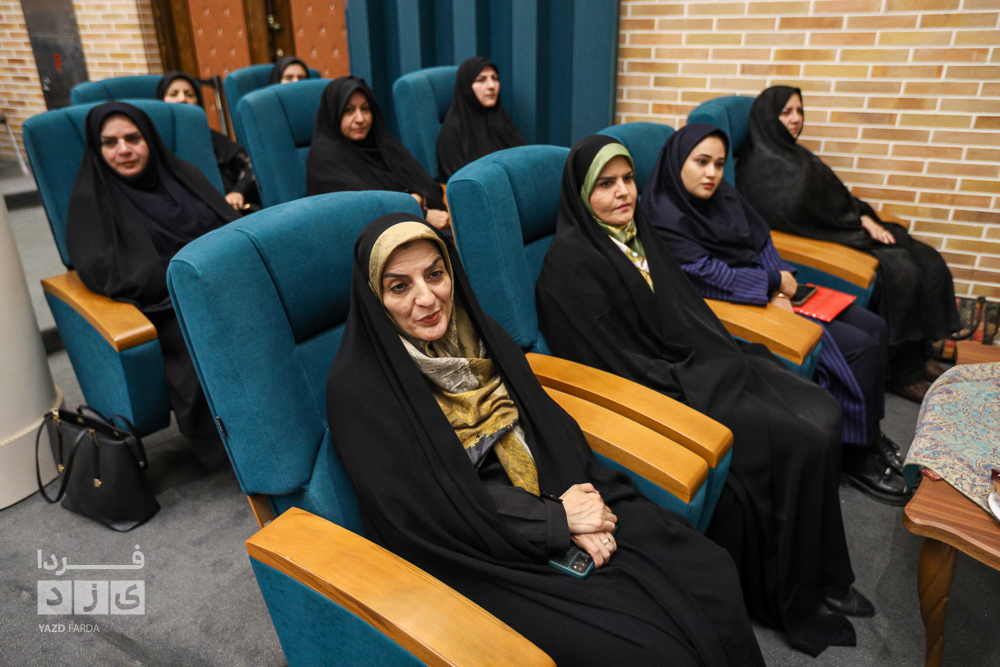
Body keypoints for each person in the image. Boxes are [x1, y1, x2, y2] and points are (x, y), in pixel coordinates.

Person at [326, 212, 766, 667]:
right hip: (474, 549)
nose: (426, 297)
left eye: (435, 274)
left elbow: (548, 425)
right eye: (399, 287)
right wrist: (556, 521)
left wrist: (582, 508)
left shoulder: (478, 332)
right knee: (650, 649)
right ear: (375, 297)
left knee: (708, 571)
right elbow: (424, 510)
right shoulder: (357, 390)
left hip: (553, 487)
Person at [536, 134, 873, 657]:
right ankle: (797, 593)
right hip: (663, 388)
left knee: (823, 410)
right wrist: (693, 371)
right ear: (581, 194)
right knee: (799, 439)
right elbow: (608, 358)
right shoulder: (568, 264)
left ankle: (825, 573)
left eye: (628, 180)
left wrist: (716, 353)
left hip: (705, 360)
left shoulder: (638, 233)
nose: (623, 192)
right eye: (605, 184)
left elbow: (687, 308)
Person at [642, 123, 909, 504]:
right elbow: (703, 276)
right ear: (676, 161)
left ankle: (866, 428)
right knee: (857, 346)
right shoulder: (662, 213)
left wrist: (782, 283)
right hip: (740, 301)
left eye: (719, 163)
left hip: (773, 289)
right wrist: (770, 285)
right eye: (701, 162)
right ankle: (855, 453)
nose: (712, 173)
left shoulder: (723, 194)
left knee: (875, 327)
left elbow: (761, 239)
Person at [736, 86, 960, 403]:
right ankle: (902, 373)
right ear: (767, 117)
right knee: (902, 269)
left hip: (845, 224)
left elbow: (835, 196)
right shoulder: (757, 165)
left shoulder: (794, 152)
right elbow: (792, 216)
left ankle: (917, 356)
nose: (796, 119)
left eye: (799, 111)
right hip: (827, 235)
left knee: (929, 259)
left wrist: (864, 217)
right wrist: (852, 226)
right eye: (786, 112)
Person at [65, 102, 240, 468]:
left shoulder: (184, 176)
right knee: (210, 340)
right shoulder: (90, 200)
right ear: (97, 148)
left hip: (220, 284)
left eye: (133, 138)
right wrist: (183, 280)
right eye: (110, 142)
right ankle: (240, 448)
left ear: (150, 140)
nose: (124, 150)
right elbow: (103, 271)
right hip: (162, 307)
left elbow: (229, 228)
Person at [306, 77, 450, 231]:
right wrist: (420, 212)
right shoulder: (324, 160)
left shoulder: (382, 143)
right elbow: (365, 210)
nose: (360, 119)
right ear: (334, 114)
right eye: (348, 110)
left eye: (365, 109)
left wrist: (418, 199)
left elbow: (427, 185)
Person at [156, 71, 261, 213]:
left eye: (189, 94)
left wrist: (238, 192)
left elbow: (250, 167)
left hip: (228, 210)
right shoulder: (153, 143)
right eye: (173, 94)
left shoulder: (212, 137)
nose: (182, 99)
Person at [435, 56, 525, 182]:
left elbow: (525, 164)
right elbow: (458, 184)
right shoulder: (452, 131)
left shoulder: (502, 121)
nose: (491, 86)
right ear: (467, 87)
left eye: (495, 78)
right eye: (481, 80)